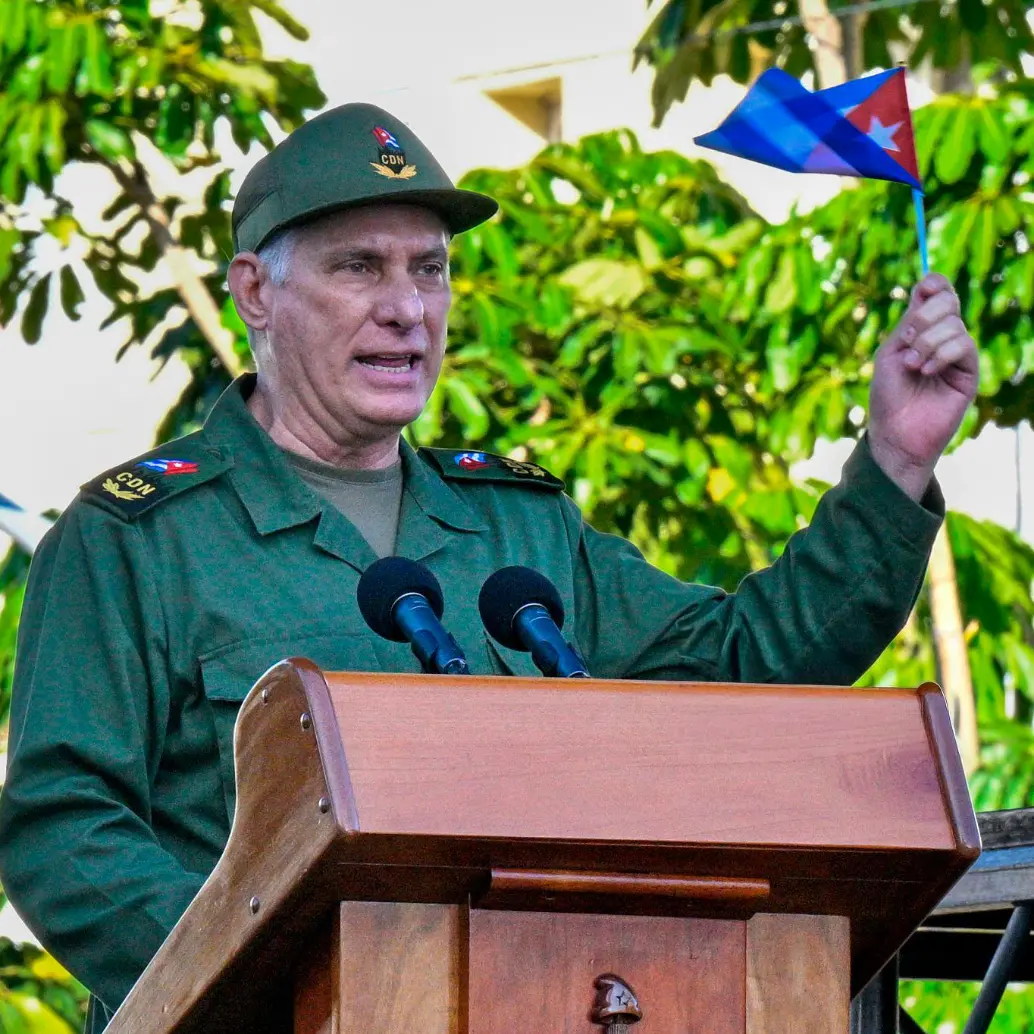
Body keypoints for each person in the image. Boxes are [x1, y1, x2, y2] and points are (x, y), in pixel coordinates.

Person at [0, 102, 977, 1031]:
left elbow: (739, 666)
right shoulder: (137, 536)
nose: (405, 309)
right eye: (359, 268)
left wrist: (892, 461)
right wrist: (279, 977)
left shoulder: (520, 530)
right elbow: (63, 830)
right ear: (255, 290)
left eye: (428, 271)